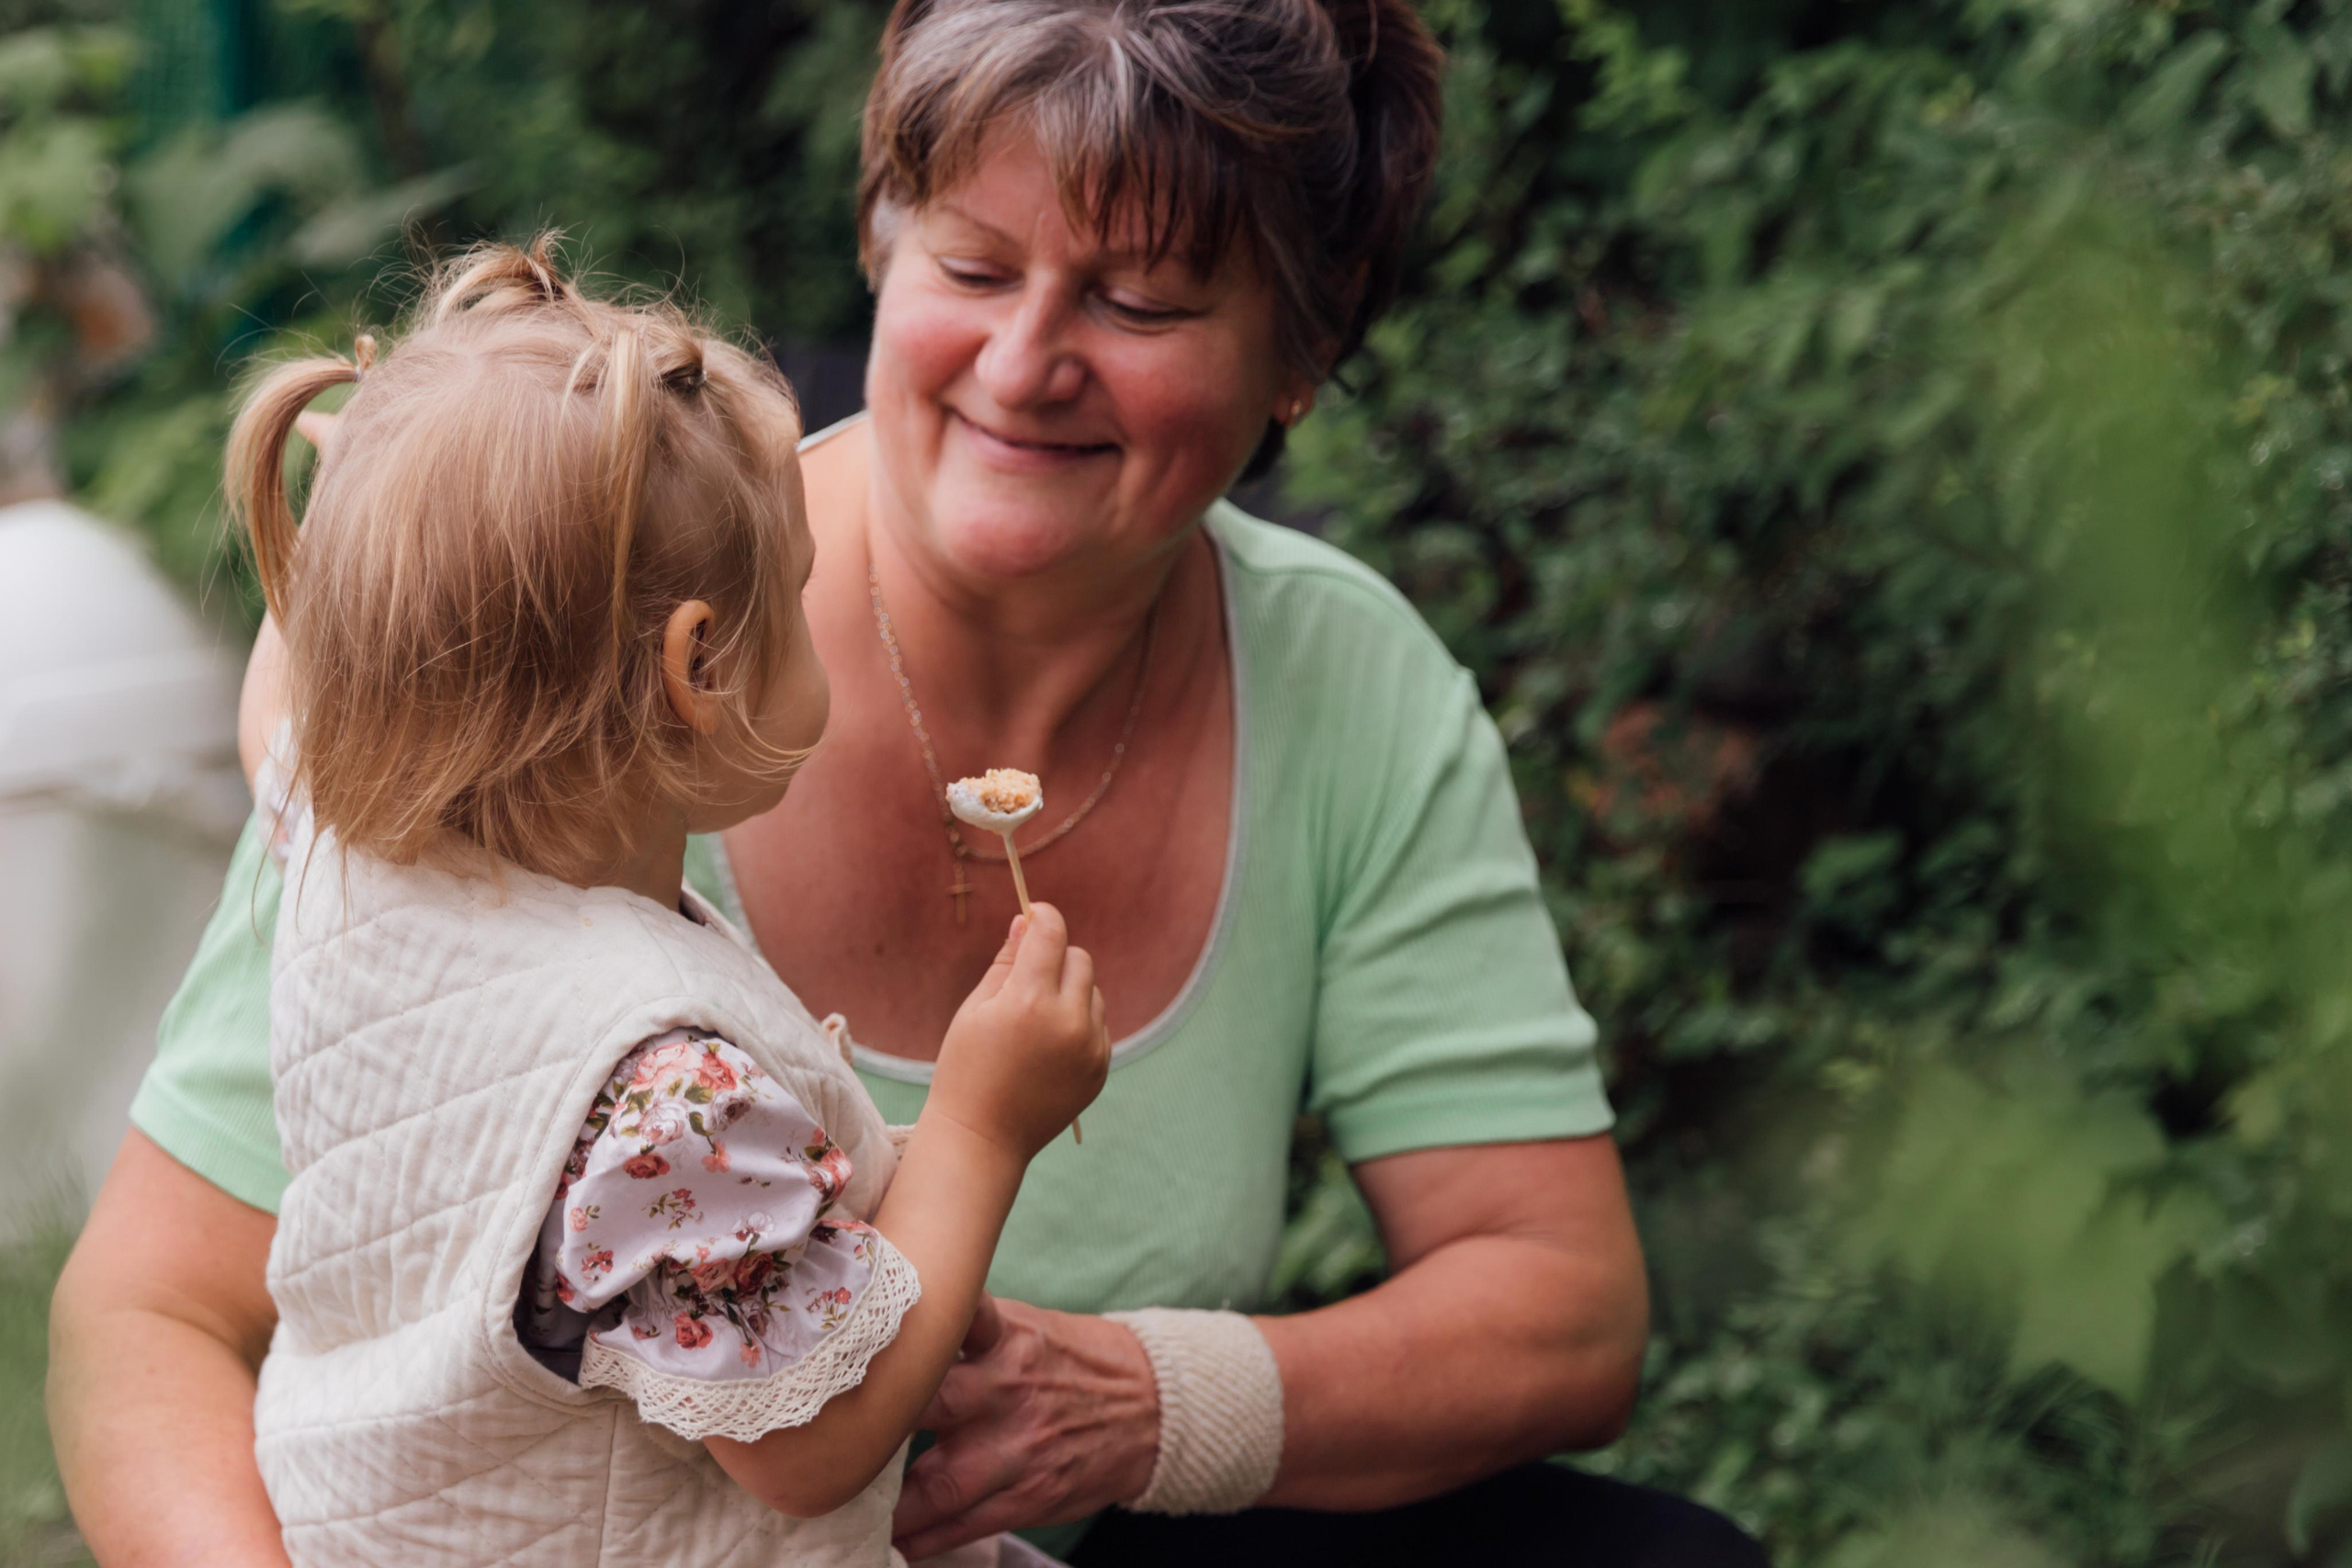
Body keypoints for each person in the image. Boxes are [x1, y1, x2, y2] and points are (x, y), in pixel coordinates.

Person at [50, 2, 1771, 1563]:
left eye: (1142, 300)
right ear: (881, 245)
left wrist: (1138, 1406)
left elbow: (1561, 1313)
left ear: (1297, 356)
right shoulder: (531, 663)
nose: (1027, 365)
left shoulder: (1346, 679)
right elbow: (150, 1316)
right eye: (971, 266)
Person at [220, 239, 1105, 1565]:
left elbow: (275, 704)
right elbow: (807, 1447)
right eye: (796, 603)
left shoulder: (341, 846)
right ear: (697, 669)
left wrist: (383, 503)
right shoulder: (659, 1092)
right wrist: (984, 1126)